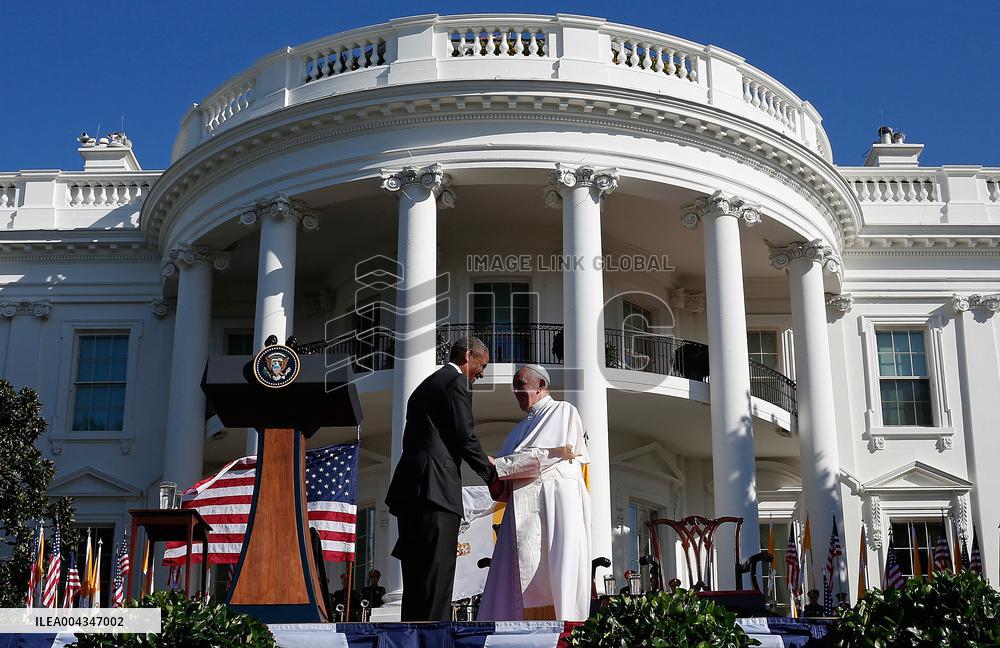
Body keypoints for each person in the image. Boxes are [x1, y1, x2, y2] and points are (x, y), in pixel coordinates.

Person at [385, 336, 497, 622]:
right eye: (481, 365)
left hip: (411, 490)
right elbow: (464, 435)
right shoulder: (455, 382)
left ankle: (412, 636)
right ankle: (433, 638)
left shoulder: (425, 386)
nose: (481, 373)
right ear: (468, 355)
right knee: (437, 574)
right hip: (436, 490)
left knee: (415, 577)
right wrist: (491, 473)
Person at [478, 364, 591, 622]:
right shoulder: (517, 431)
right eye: (514, 387)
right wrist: (495, 478)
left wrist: (500, 466)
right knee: (513, 577)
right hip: (521, 508)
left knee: (558, 566)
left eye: (521, 384)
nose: (516, 391)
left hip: (555, 500)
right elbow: (504, 479)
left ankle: (564, 629)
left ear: (541, 386)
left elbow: (547, 455)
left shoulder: (563, 410)